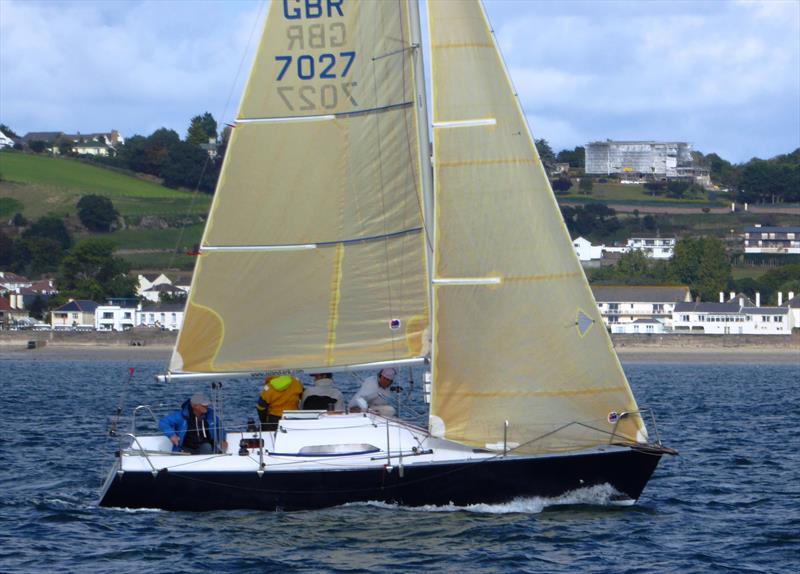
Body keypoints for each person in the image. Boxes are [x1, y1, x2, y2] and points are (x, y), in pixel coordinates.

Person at [159, 392, 227, 454]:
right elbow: (163, 422)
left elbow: (220, 428)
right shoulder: (181, 416)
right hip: (186, 448)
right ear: (195, 406)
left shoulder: (211, 415)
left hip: (206, 447)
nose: (207, 406)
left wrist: (223, 439)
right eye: (203, 405)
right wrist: (172, 435)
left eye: (207, 405)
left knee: (207, 446)